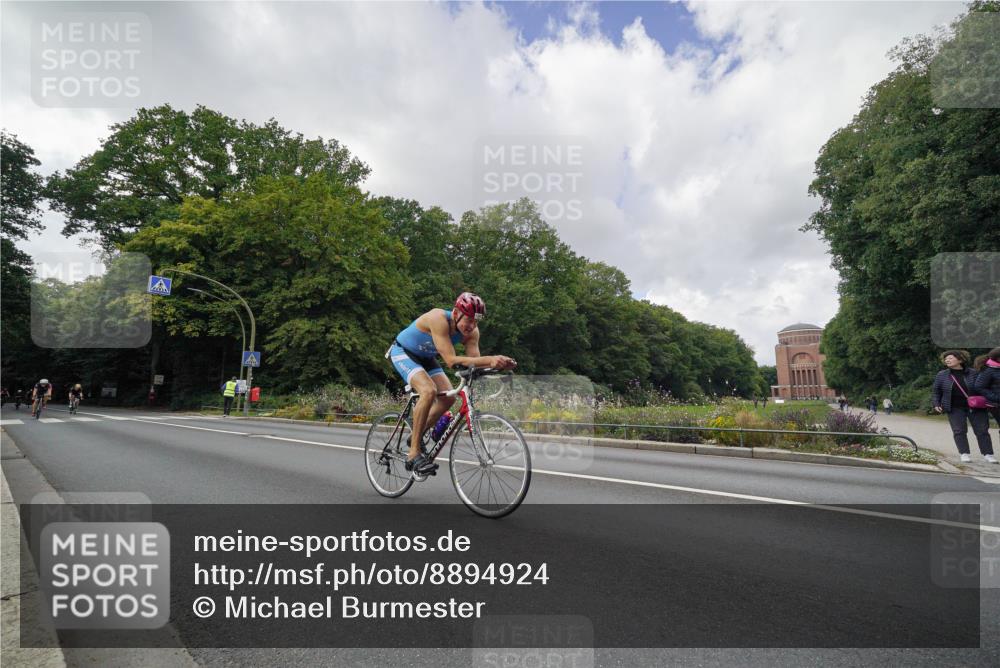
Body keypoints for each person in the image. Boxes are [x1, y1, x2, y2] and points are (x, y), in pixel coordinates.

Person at [387, 292, 516, 475]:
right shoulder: (438, 318)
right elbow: (450, 360)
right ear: (456, 313)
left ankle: (415, 435)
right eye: (469, 320)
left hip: (426, 357)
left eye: (476, 322)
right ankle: (413, 453)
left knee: (449, 397)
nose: (472, 326)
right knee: (428, 391)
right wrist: (491, 358)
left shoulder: (472, 333)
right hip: (403, 352)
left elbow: (473, 363)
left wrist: (498, 367)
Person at [932, 350, 995, 464]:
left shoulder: (974, 373)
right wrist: (936, 404)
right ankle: (964, 453)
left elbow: (983, 387)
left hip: (976, 407)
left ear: (960, 359)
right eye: (946, 359)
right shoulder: (942, 375)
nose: (947, 360)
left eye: (950, 358)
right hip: (954, 407)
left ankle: (988, 454)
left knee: (982, 431)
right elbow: (936, 391)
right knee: (959, 431)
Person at [973, 348, 1000, 431]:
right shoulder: (988, 370)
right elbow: (979, 386)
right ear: (998, 358)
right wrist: (996, 397)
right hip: (996, 405)